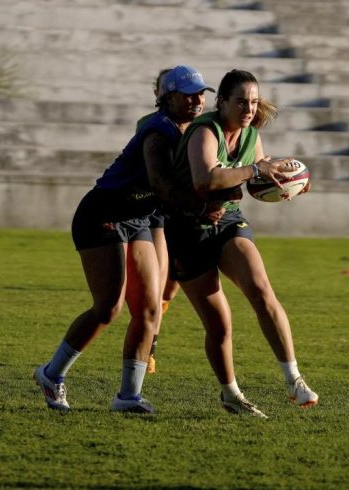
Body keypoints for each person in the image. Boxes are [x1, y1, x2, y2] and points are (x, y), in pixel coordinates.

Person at [33, 66, 215, 413]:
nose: (197, 100)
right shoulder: (158, 131)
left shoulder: (193, 131)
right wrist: (202, 205)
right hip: (102, 214)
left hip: (139, 217)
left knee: (149, 309)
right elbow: (162, 185)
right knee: (108, 307)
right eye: (188, 93)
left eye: (200, 93)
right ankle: (51, 374)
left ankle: (128, 396)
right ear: (167, 98)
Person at [164, 69, 319, 418]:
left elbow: (252, 184)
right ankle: (231, 393)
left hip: (228, 221)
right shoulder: (206, 131)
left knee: (262, 290)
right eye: (241, 101)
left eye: (253, 101)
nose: (249, 108)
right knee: (219, 324)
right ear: (222, 102)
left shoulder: (251, 135)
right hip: (186, 230)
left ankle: (294, 379)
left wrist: (287, 183)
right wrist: (257, 170)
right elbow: (207, 179)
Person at [136, 68, 183, 375]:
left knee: (173, 284)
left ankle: (151, 337)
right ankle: (148, 347)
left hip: (185, 210)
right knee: (160, 281)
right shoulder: (150, 125)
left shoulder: (199, 126)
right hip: (158, 208)